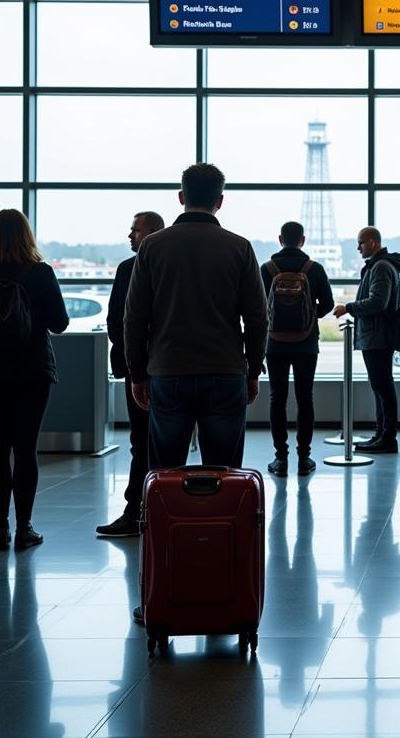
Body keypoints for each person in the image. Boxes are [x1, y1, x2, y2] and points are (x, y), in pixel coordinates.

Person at [124, 163, 268, 472]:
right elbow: (257, 318)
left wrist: (137, 373)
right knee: (224, 472)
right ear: (220, 201)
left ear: (180, 197)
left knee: (165, 471)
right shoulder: (239, 247)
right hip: (225, 372)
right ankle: (220, 521)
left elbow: (134, 317)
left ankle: (169, 522)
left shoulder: (152, 247)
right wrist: (253, 370)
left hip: (168, 370)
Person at [0, 209, 69, 551]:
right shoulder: (41, 273)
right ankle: (25, 527)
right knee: (25, 450)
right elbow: (60, 323)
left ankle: (0, 528)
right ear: (26, 236)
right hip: (33, 372)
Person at [96, 211, 165, 538]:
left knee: (141, 440)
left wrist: (131, 356)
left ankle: (136, 511)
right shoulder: (160, 265)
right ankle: (161, 509)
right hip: (165, 364)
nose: (130, 236)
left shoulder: (129, 269)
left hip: (140, 367)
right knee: (156, 440)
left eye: (135, 230)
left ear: (152, 232)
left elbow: (117, 321)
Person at [261, 220, 334, 477]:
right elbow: (327, 304)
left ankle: (280, 458)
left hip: (275, 343)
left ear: (280, 239)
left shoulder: (267, 268)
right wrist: (310, 314)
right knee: (305, 398)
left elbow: (258, 307)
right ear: (302, 240)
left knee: (276, 399)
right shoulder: (314, 268)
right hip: (306, 343)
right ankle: (305, 458)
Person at [333, 227, 400, 454]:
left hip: (378, 337)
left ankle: (387, 438)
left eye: (361, 243)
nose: (358, 247)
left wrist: (349, 307)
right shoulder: (380, 265)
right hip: (376, 336)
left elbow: (378, 302)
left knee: (382, 387)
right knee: (380, 386)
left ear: (373, 243)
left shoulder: (381, 267)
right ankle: (381, 434)